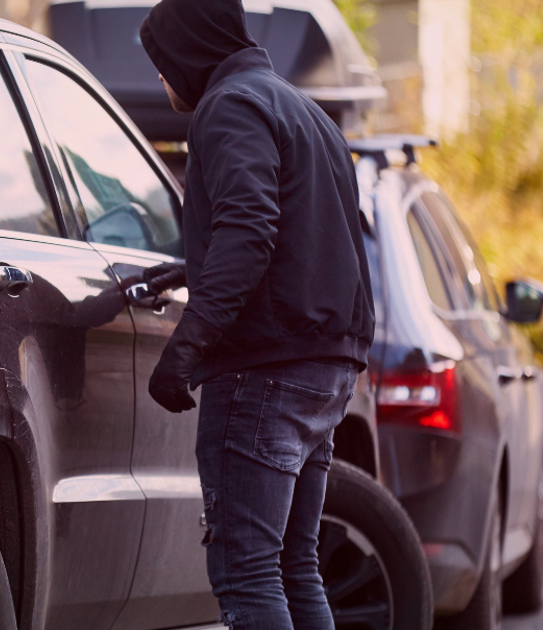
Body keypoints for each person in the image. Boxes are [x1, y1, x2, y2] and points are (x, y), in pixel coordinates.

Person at [137, 1, 375, 629]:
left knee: (248, 574)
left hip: (262, 373)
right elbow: (309, 235)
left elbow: (250, 228)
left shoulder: (229, 106)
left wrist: (186, 348)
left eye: (163, 64)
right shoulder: (307, 113)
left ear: (188, 51)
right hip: (325, 369)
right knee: (295, 569)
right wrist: (194, 267)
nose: (164, 81)